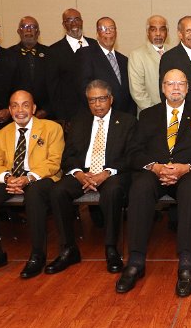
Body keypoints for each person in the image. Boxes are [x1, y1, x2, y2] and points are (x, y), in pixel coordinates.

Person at [118, 69, 191, 297]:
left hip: (187, 171)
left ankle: (187, 264)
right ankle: (135, 261)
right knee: (140, 187)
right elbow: (133, 151)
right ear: (162, 88)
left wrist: (186, 167)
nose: (175, 88)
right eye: (170, 83)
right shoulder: (148, 115)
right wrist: (155, 167)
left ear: (187, 88)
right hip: (156, 171)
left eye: (180, 83)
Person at [0, 90, 64, 279]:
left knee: (34, 194)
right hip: (12, 178)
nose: (20, 110)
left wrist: (28, 178)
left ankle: (38, 255)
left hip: (41, 177)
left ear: (34, 108)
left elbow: (54, 162)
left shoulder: (52, 128)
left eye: (25, 105)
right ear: (9, 109)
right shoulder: (1, 134)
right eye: (15, 106)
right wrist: (8, 178)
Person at [48, 80, 135, 275]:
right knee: (57, 191)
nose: (97, 104)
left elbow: (131, 156)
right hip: (83, 172)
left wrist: (106, 173)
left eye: (102, 99)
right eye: (92, 100)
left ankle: (111, 248)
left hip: (111, 172)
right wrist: (78, 173)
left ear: (111, 99)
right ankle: (68, 249)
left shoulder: (127, 121)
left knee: (113, 191)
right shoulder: (79, 121)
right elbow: (68, 156)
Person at [77, 16, 135, 115]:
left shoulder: (124, 60)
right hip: (98, 115)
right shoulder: (86, 54)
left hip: (123, 117)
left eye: (112, 28)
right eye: (103, 29)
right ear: (97, 34)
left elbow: (129, 92)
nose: (108, 32)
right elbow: (84, 88)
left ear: (116, 33)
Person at [46, 8, 92, 126]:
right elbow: (53, 90)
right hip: (71, 117)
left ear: (82, 22)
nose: (74, 23)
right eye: (69, 20)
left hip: (97, 112)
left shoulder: (95, 45)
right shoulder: (53, 51)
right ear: (63, 24)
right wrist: (63, 118)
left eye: (77, 19)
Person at [159, 16, 191, 113]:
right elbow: (165, 91)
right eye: (188, 31)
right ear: (180, 34)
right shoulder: (169, 57)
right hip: (182, 114)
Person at [9, 16, 51, 117]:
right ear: (18, 31)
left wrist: (48, 110)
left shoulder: (50, 53)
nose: (28, 30)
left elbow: (55, 86)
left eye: (33, 27)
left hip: (47, 114)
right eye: (24, 27)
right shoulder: (8, 54)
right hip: (17, 114)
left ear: (38, 32)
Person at [127, 14, 168, 114]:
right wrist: (156, 113)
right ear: (147, 32)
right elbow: (138, 92)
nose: (158, 34)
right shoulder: (137, 55)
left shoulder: (174, 53)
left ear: (167, 32)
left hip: (174, 114)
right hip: (150, 114)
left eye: (162, 29)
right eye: (153, 30)